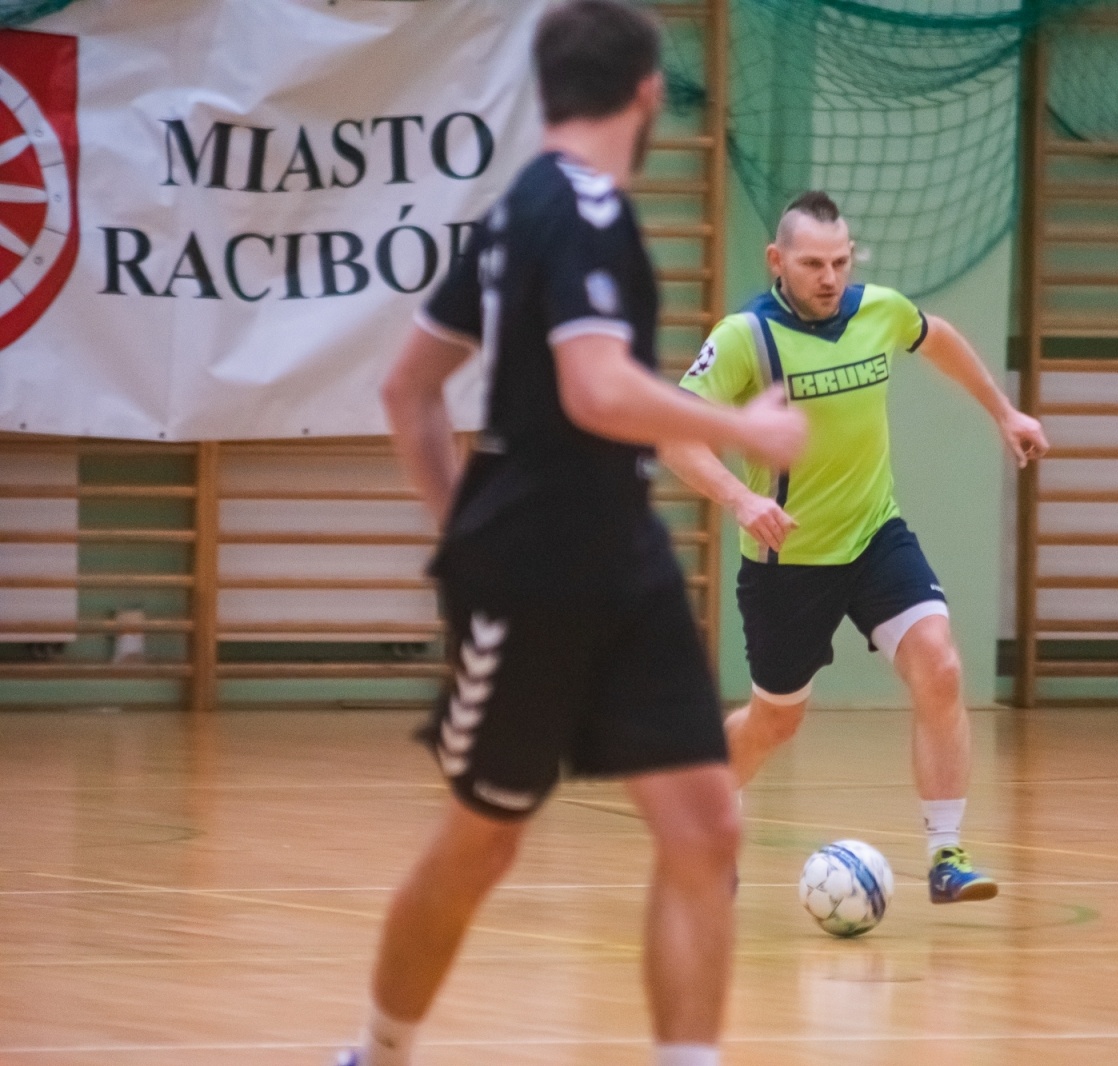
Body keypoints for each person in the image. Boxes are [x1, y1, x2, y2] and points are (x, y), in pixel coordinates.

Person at [337, 4, 806, 1066]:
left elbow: (408, 390)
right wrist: (745, 428)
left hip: (624, 558)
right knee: (484, 840)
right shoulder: (576, 209)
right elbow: (593, 387)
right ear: (646, 92)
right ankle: (377, 1051)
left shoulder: (517, 209)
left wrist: (458, 522)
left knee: (706, 826)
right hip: (536, 572)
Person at [662, 191, 1050, 904]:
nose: (831, 277)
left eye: (841, 262)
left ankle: (946, 855)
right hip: (788, 563)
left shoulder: (880, 311)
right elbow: (675, 434)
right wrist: (743, 500)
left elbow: (937, 336)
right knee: (776, 721)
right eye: (814, 264)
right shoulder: (747, 337)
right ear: (777, 261)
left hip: (875, 537)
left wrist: (1004, 412)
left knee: (940, 665)